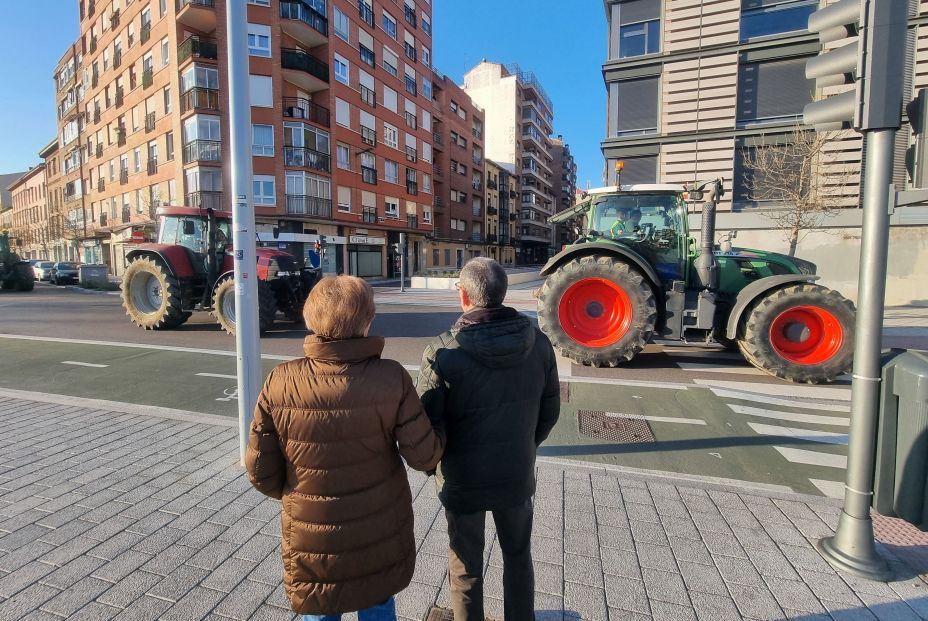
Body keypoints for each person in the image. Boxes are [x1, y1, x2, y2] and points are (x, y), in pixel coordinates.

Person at [245, 275, 444, 621]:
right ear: (365, 321)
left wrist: (297, 494)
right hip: (378, 528)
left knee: (319, 606)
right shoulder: (391, 377)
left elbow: (260, 471)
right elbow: (424, 455)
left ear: (311, 318)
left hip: (311, 537)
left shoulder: (281, 381)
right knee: (378, 603)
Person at [416, 258, 560, 621]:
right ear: (503, 293)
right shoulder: (539, 343)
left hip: (462, 478)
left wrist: (436, 468)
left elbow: (427, 425)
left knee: (465, 566)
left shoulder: (443, 351)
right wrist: (525, 446)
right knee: (518, 555)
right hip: (516, 473)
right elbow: (549, 411)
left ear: (464, 295)